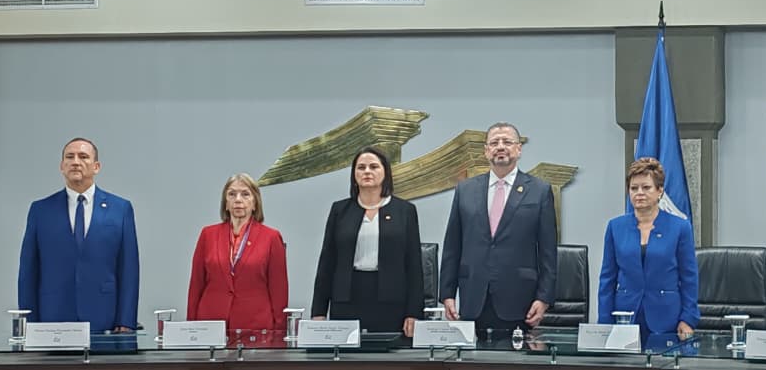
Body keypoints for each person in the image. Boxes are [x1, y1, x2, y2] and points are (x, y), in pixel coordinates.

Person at [440, 122, 557, 331]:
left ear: (519, 149)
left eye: (507, 142)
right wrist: (447, 293)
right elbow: (452, 246)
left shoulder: (539, 191)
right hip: (473, 297)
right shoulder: (466, 190)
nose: (500, 146)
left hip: (520, 299)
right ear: (486, 151)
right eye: (494, 143)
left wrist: (544, 298)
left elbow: (548, 252)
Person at [18, 138, 139, 333]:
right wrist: (28, 323)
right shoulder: (41, 210)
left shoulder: (120, 209)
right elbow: (28, 271)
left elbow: (129, 269)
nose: (75, 162)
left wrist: (126, 320)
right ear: (62, 166)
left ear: (96, 166)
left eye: (83, 157)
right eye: (69, 157)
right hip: (53, 317)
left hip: (104, 317)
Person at [311, 147, 424, 335]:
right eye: (361, 167)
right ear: (354, 174)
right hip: (347, 299)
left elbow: (413, 265)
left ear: (385, 172)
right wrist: (319, 312)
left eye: (374, 167)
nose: (367, 172)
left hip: (390, 301)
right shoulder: (340, 210)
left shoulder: (404, 211)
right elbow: (327, 263)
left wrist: (414, 312)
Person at [598, 157, 699, 343]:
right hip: (625, 317)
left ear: (660, 191)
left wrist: (688, 318)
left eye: (646, 187)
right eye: (634, 188)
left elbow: (689, 278)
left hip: (667, 318)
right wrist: (604, 322)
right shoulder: (615, 227)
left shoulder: (680, 227)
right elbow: (607, 279)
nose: (639, 193)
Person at [187, 173, 289, 333]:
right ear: (226, 203)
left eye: (245, 194)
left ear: (255, 203)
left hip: (255, 327)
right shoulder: (208, 234)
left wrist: (279, 333)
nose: (238, 200)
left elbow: (279, 291)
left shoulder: (271, 237)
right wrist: (191, 329)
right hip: (210, 324)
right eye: (232, 194)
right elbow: (196, 285)